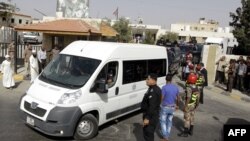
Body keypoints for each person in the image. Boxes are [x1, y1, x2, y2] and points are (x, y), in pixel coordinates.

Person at [141, 74, 161, 141]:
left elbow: (152, 106)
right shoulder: (151, 88)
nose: (146, 80)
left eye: (148, 79)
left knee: (148, 134)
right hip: (150, 115)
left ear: (153, 80)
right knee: (147, 134)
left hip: (151, 117)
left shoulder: (154, 91)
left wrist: (147, 118)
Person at [160, 74, 180, 141]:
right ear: (171, 80)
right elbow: (178, 98)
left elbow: (162, 97)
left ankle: (165, 137)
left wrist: (159, 104)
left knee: (163, 121)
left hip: (165, 107)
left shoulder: (164, 87)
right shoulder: (175, 87)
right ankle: (167, 135)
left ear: (166, 79)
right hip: (172, 107)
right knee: (169, 121)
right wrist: (177, 105)